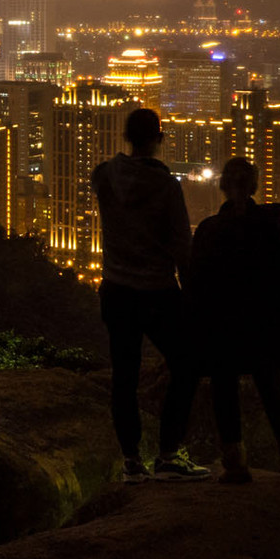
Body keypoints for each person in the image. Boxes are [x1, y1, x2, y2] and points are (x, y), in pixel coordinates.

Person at [92, 107, 206, 482]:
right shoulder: (166, 186)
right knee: (187, 364)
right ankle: (168, 453)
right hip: (157, 291)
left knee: (124, 376)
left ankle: (131, 461)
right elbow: (181, 248)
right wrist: (193, 296)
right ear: (157, 139)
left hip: (116, 290)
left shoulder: (105, 176)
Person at [186, 157, 280, 484]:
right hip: (263, 326)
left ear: (223, 186)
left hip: (221, 327)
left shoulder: (209, 229)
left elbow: (194, 283)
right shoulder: (271, 223)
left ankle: (235, 462)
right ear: (254, 186)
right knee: (271, 386)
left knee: (224, 385)